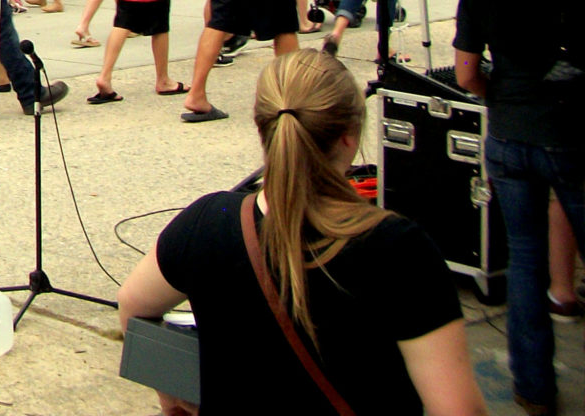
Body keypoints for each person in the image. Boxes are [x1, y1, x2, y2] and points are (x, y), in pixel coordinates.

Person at [116, 50, 483, 416]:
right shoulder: (399, 250)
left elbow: (132, 304)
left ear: (263, 130)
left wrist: (172, 392)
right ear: (349, 138)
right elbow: (458, 409)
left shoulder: (208, 222)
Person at [453, 0, 583, 415]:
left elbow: (465, 75)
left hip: (507, 138)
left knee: (525, 265)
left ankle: (534, 390)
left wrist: (498, 95)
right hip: (571, 134)